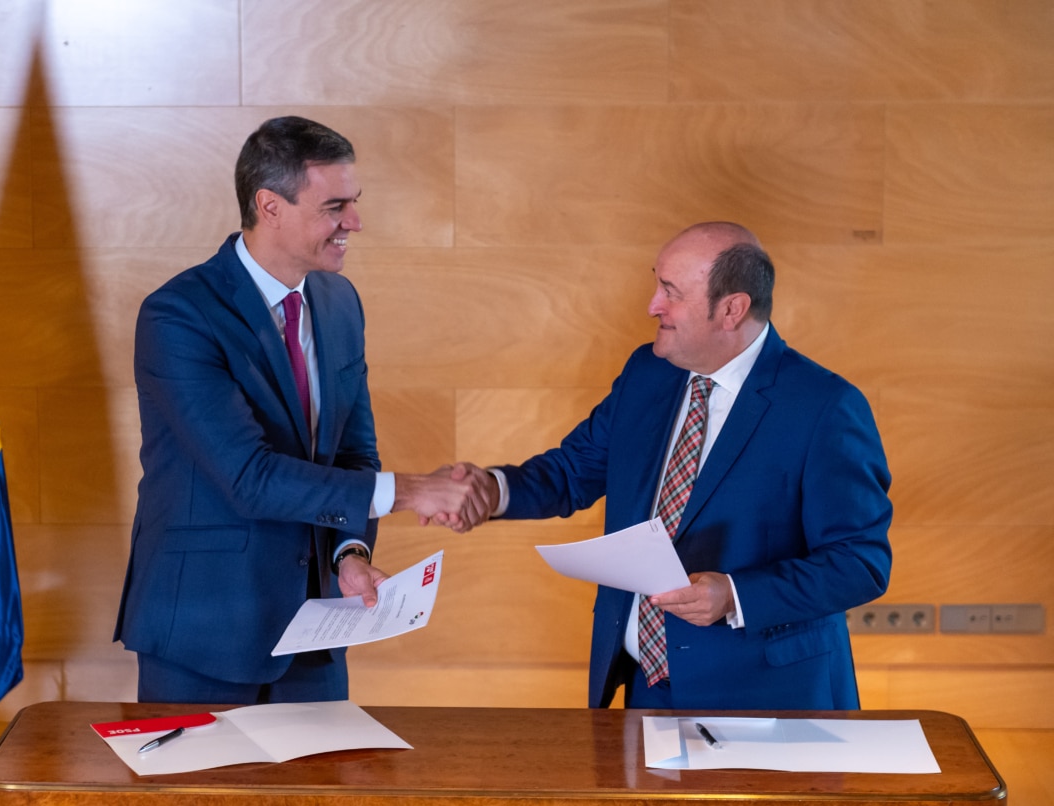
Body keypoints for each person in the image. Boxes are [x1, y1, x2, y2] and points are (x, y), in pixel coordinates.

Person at [114, 116, 490, 704]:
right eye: (334, 206)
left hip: (314, 631)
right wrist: (412, 491)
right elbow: (249, 478)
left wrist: (350, 552)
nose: (355, 223)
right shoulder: (178, 316)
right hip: (202, 630)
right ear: (270, 206)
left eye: (354, 203)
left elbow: (351, 453)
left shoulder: (340, 303)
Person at [443, 222, 892, 710]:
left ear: (731, 309)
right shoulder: (647, 372)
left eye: (670, 292)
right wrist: (492, 489)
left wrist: (737, 594)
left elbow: (860, 562)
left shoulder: (825, 406)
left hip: (767, 699)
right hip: (642, 689)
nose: (652, 305)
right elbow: (574, 470)